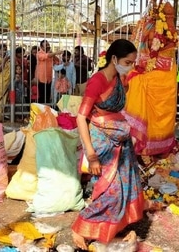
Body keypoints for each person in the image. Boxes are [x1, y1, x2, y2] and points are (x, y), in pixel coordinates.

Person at [71, 39, 143, 250]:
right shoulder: (97, 81)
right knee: (110, 190)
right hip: (103, 143)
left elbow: (116, 110)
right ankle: (81, 228)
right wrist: (91, 155)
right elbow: (80, 118)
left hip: (122, 143)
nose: (130, 66)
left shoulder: (119, 79)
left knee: (125, 187)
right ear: (114, 58)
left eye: (132, 62)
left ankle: (114, 227)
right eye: (127, 62)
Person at [35, 40, 62, 104]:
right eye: (46, 45)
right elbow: (45, 56)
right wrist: (55, 53)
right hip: (41, 79)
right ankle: (41, 111)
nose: (48, 46)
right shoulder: (39, 53)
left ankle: (47, 111)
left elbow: (58, 62)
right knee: (41, 97)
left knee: (47, 96)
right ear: (42, 47)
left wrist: (53, 54)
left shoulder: (50, 54)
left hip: (49, 79)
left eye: (48, 44)